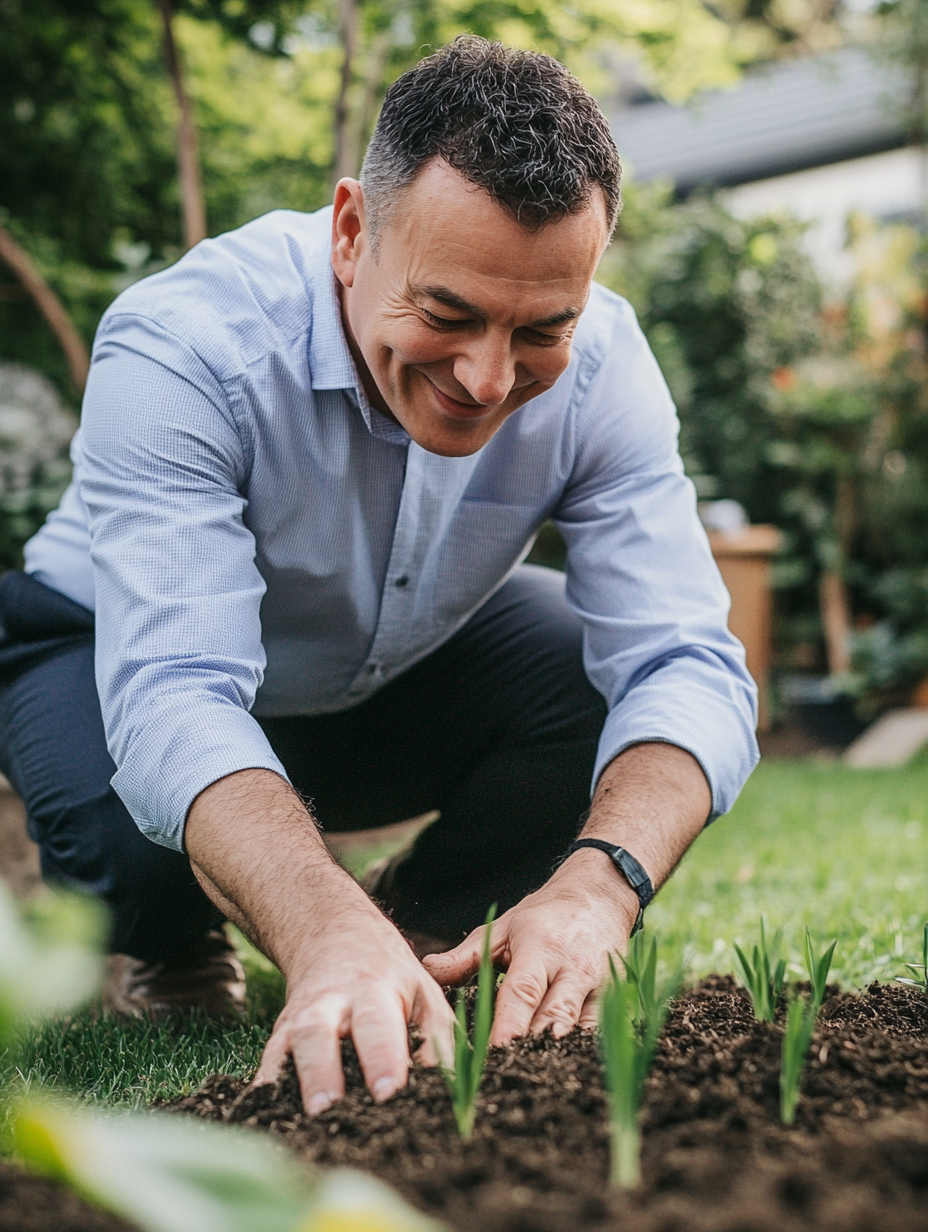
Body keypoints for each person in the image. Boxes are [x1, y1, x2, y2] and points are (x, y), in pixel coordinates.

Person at [0, 36, 758, 1114]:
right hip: (104, 658)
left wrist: (600, 888)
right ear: (352, 232)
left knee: (594, 681)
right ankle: (181, 944)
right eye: (446, 314)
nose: (487, 378)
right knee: (131, 832)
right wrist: (312, 917)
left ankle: (413, 928)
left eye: (540, 328)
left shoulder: (606, 367)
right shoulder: (188, 342)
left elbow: (688, 660)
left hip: (388, 675)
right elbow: (174, 694)